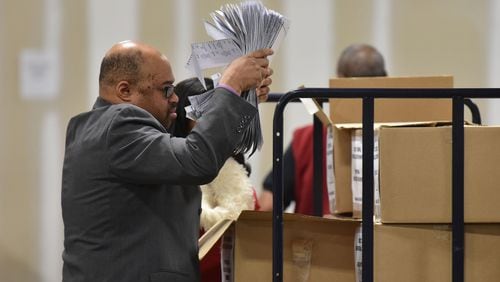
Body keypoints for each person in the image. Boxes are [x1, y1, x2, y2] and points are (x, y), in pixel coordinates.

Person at [61, 40, 273, 282]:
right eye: (166, 89)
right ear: (124, 91)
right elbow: (196, 160)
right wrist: (231, 86)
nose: (175, 99)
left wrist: (238, 100)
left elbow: (180, 152)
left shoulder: (99, 129)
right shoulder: (119, 125)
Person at [258, 43, 386, 215]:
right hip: (383, 240)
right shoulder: (399, 139)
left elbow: (267, 206)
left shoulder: (307, 139)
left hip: (317, 239)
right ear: (386, 80)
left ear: (338, 81)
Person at [173, 77, 260, 282]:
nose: (214, 122)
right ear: (182, 119)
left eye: (218, 113)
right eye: (202, 114)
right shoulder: (173, 174)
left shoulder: (235, 170)